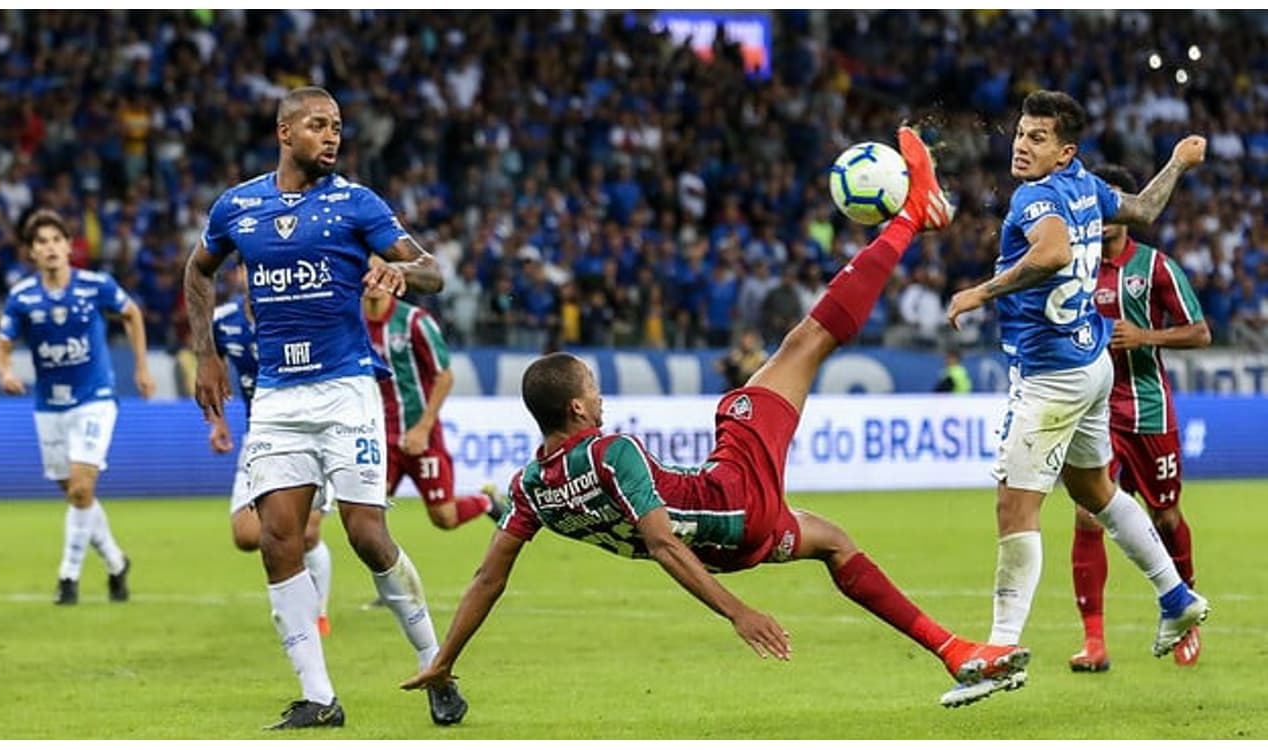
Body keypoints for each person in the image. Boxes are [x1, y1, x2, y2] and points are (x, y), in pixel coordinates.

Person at [403, 128, 1031, 712]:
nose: (600, 401)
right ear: (576, 408)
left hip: (734, 541)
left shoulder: (529, 489)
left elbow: (489, 576)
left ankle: (956, 652)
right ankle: (911, 216)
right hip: (730, 500)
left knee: (834, 542)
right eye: (593, 392)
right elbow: (662, 543)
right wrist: (738, 613)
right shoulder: (608, 450)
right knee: (801, 346)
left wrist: (443, 661)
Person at [183, 86, 467, 730]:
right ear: (285, 132)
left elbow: (432, 269)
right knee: (278, 541)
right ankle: (319, 697)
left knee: (367, 534)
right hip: (279, 397)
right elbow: (198, 271)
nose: (332, 136)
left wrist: (403, 273)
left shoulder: (356, 204)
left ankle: (436, 665)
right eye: (318, 125)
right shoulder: (239, 207)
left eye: (337, 126)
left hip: (346, 390)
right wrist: (206, 353)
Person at [945, 90, 1209, 705]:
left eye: (1038, 137)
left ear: (1064, 151)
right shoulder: (1088, 186)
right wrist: (1177, 161)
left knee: (1016, 510)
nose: (1021, 144)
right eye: (1020, 132)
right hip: (1092, 363)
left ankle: (1000, 648)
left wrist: (982, 292)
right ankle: (1176, 598)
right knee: (1095, 492)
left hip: (1051, 377)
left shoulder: (1036, 197)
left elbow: (1054, 251)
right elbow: (1143, 206)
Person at [1066, 164, 1212, 672]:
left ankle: (1184, 612)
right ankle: (1094, 642)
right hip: (1094, 411)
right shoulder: (1072, 266)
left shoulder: (1155, 267)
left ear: (1125, 208)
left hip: (1148, 410)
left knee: (1165, 516)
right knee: (1088, 515)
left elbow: (1200, 332)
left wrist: (1146, 336)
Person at [0, 208, 154, 604]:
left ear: (69, 246)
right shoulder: (22, 297)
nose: (50, 248)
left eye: (56, 240)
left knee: (82, 488)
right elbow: (3, 344)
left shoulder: (95, 285)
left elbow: (132, 313)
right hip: (49, 407)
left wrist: (141, 368)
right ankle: (117, 562)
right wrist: (5, 372)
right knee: (76, 495)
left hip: (94, 399)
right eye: (41, 242)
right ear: (31, 253)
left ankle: (68, 577)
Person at [209, 261, 334, 637]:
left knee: (306, 534)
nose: (254, 275)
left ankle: (317, 614)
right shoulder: (223, 321)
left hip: (310, 436)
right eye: (247, 268)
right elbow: (211, 370)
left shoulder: (299, 312)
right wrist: (217, 422)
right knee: (246, 536)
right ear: (238, 275)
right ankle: (296, 590)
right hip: (260, 437)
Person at [363, 288, 506, 530]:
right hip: (379, 437)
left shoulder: (414, 321)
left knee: (444, 518)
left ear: (392, 275)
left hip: (421, 436)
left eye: (380, 271)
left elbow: (445, 376)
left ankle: (485, 501)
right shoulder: (351, 321)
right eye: (366, 271)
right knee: (367, 513)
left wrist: (423, 428)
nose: (373, 279)